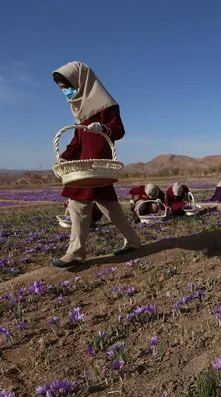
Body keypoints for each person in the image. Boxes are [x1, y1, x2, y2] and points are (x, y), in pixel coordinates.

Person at [51, 61, 141, 268]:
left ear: (80, 81)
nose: (65, 92)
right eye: (62, 89)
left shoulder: (106, 105)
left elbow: (118, 130)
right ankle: (134, 242)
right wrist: (64, 158)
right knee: (110, 207)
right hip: (84, 163)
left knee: (78, 204)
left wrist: (103, 128)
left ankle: (75, 253)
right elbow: (77, 140)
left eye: (67, 87)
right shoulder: (80, 108)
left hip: (96, 163)